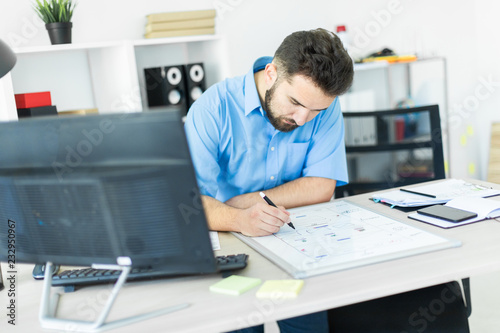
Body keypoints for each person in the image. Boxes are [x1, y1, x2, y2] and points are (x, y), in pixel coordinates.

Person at [184, 28, 354, 333]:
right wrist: (239, 218)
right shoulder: (212, 110)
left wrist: (249, 201)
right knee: (240, 325)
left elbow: (322, 186)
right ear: (271, 73)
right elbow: (190, 203)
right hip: (231, 240)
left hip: (296, 241)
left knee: (309, 325)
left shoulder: (324, 106)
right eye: (296, 103)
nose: (303, 119)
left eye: (316, 110)